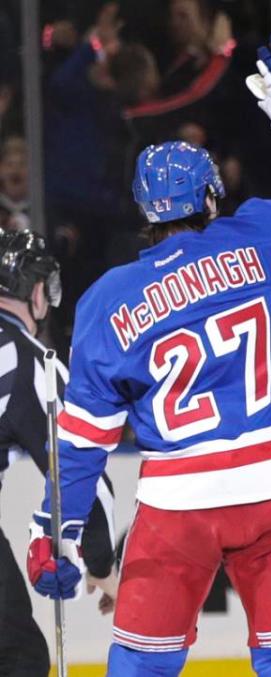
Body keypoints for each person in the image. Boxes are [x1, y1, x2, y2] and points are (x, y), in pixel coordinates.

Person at [25, 34, 271, 677]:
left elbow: (83, 439)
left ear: (143, 209)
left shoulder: (109, 297)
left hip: (178, 503)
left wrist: (55, 530)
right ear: (212, 196)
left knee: (140, 667)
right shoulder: (269, 232)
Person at [0, 230, 115, 676]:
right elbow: (78, 468)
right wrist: (103, 566)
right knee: (19, 659)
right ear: (35, 292)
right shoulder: (28, 360)